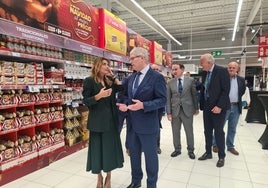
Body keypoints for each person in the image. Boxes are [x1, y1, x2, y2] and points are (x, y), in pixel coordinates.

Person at [117, 47, 166, 188]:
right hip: (132, 124)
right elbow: (128, 97)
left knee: (150, 157)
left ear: (142, 58)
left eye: (132, 58)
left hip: (148, 125)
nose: (130, 61)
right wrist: (125, 106)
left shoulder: (156, 77)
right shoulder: (132, 77)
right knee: (134, 155)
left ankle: (151, 184)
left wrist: (144, 105)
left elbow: (162, 100)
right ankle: (136, 180)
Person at [82, 57, 124, 188]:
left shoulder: (109, 81)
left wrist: (113, 76)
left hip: (111, 121)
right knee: (97, 151)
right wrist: (99, 96)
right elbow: (85, 101)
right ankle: (99, 177)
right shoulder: (89, 81)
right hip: (97, 121)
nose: (107, 66)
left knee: (109, 150)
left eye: (108, 64)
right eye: (104, 64)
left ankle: (109, 176)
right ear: (97, 66)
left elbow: (121, 88)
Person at [198, 53, 230, 168]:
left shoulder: (221, 71)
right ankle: (208, 152)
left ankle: (221, 156)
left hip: (218, 108)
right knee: (207, 131)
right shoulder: (205, 73)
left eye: (202, 63)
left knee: (218, 132)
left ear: (209, 62)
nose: (201, 65)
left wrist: (220, 106)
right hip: (207, 106)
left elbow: (225, 91)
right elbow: (204, 88)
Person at [166, 62, 199, 159]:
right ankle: (177, 149)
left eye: (176, 69)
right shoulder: (170, 82)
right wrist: (168, 112)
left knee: (189, 131)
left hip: (187, 110)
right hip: (175, 110)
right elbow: (168, 98)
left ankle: (191, 150)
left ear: (182, 69)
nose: (174, 71)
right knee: (175, 131)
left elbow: (194, 95)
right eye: (173, 69)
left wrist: (196, 108)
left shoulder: (190, 81)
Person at [212, 61, 246, 155]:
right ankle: (215, 144)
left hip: (236, 107)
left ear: (237, 69)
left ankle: (230, 146)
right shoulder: (222, 78)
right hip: (224, 107)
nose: (231, 69)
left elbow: (242, 92)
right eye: (229, 67)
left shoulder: (241, 80)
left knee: (232, 128)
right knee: (219, 127)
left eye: (233, 68)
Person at [151, 63, 166, 154]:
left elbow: (163, 96)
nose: (156, 71)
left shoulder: (160, 79)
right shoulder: (146, 79)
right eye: (154, 69)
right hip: (146, 107)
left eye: (157, 69)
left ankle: (157, 146)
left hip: (157, 108)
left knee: (156, 126)